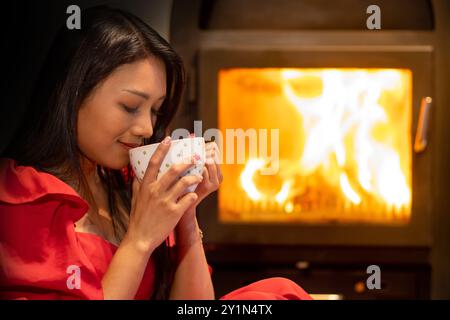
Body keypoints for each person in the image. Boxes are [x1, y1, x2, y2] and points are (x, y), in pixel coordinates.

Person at [0, 6, 311, 300]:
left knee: (280, 291)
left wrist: (186, 216)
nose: (147, 128)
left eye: (155, 111)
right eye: (130, 106)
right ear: (73, 94)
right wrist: (139, 240)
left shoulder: (131, 184)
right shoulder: (24, 198)